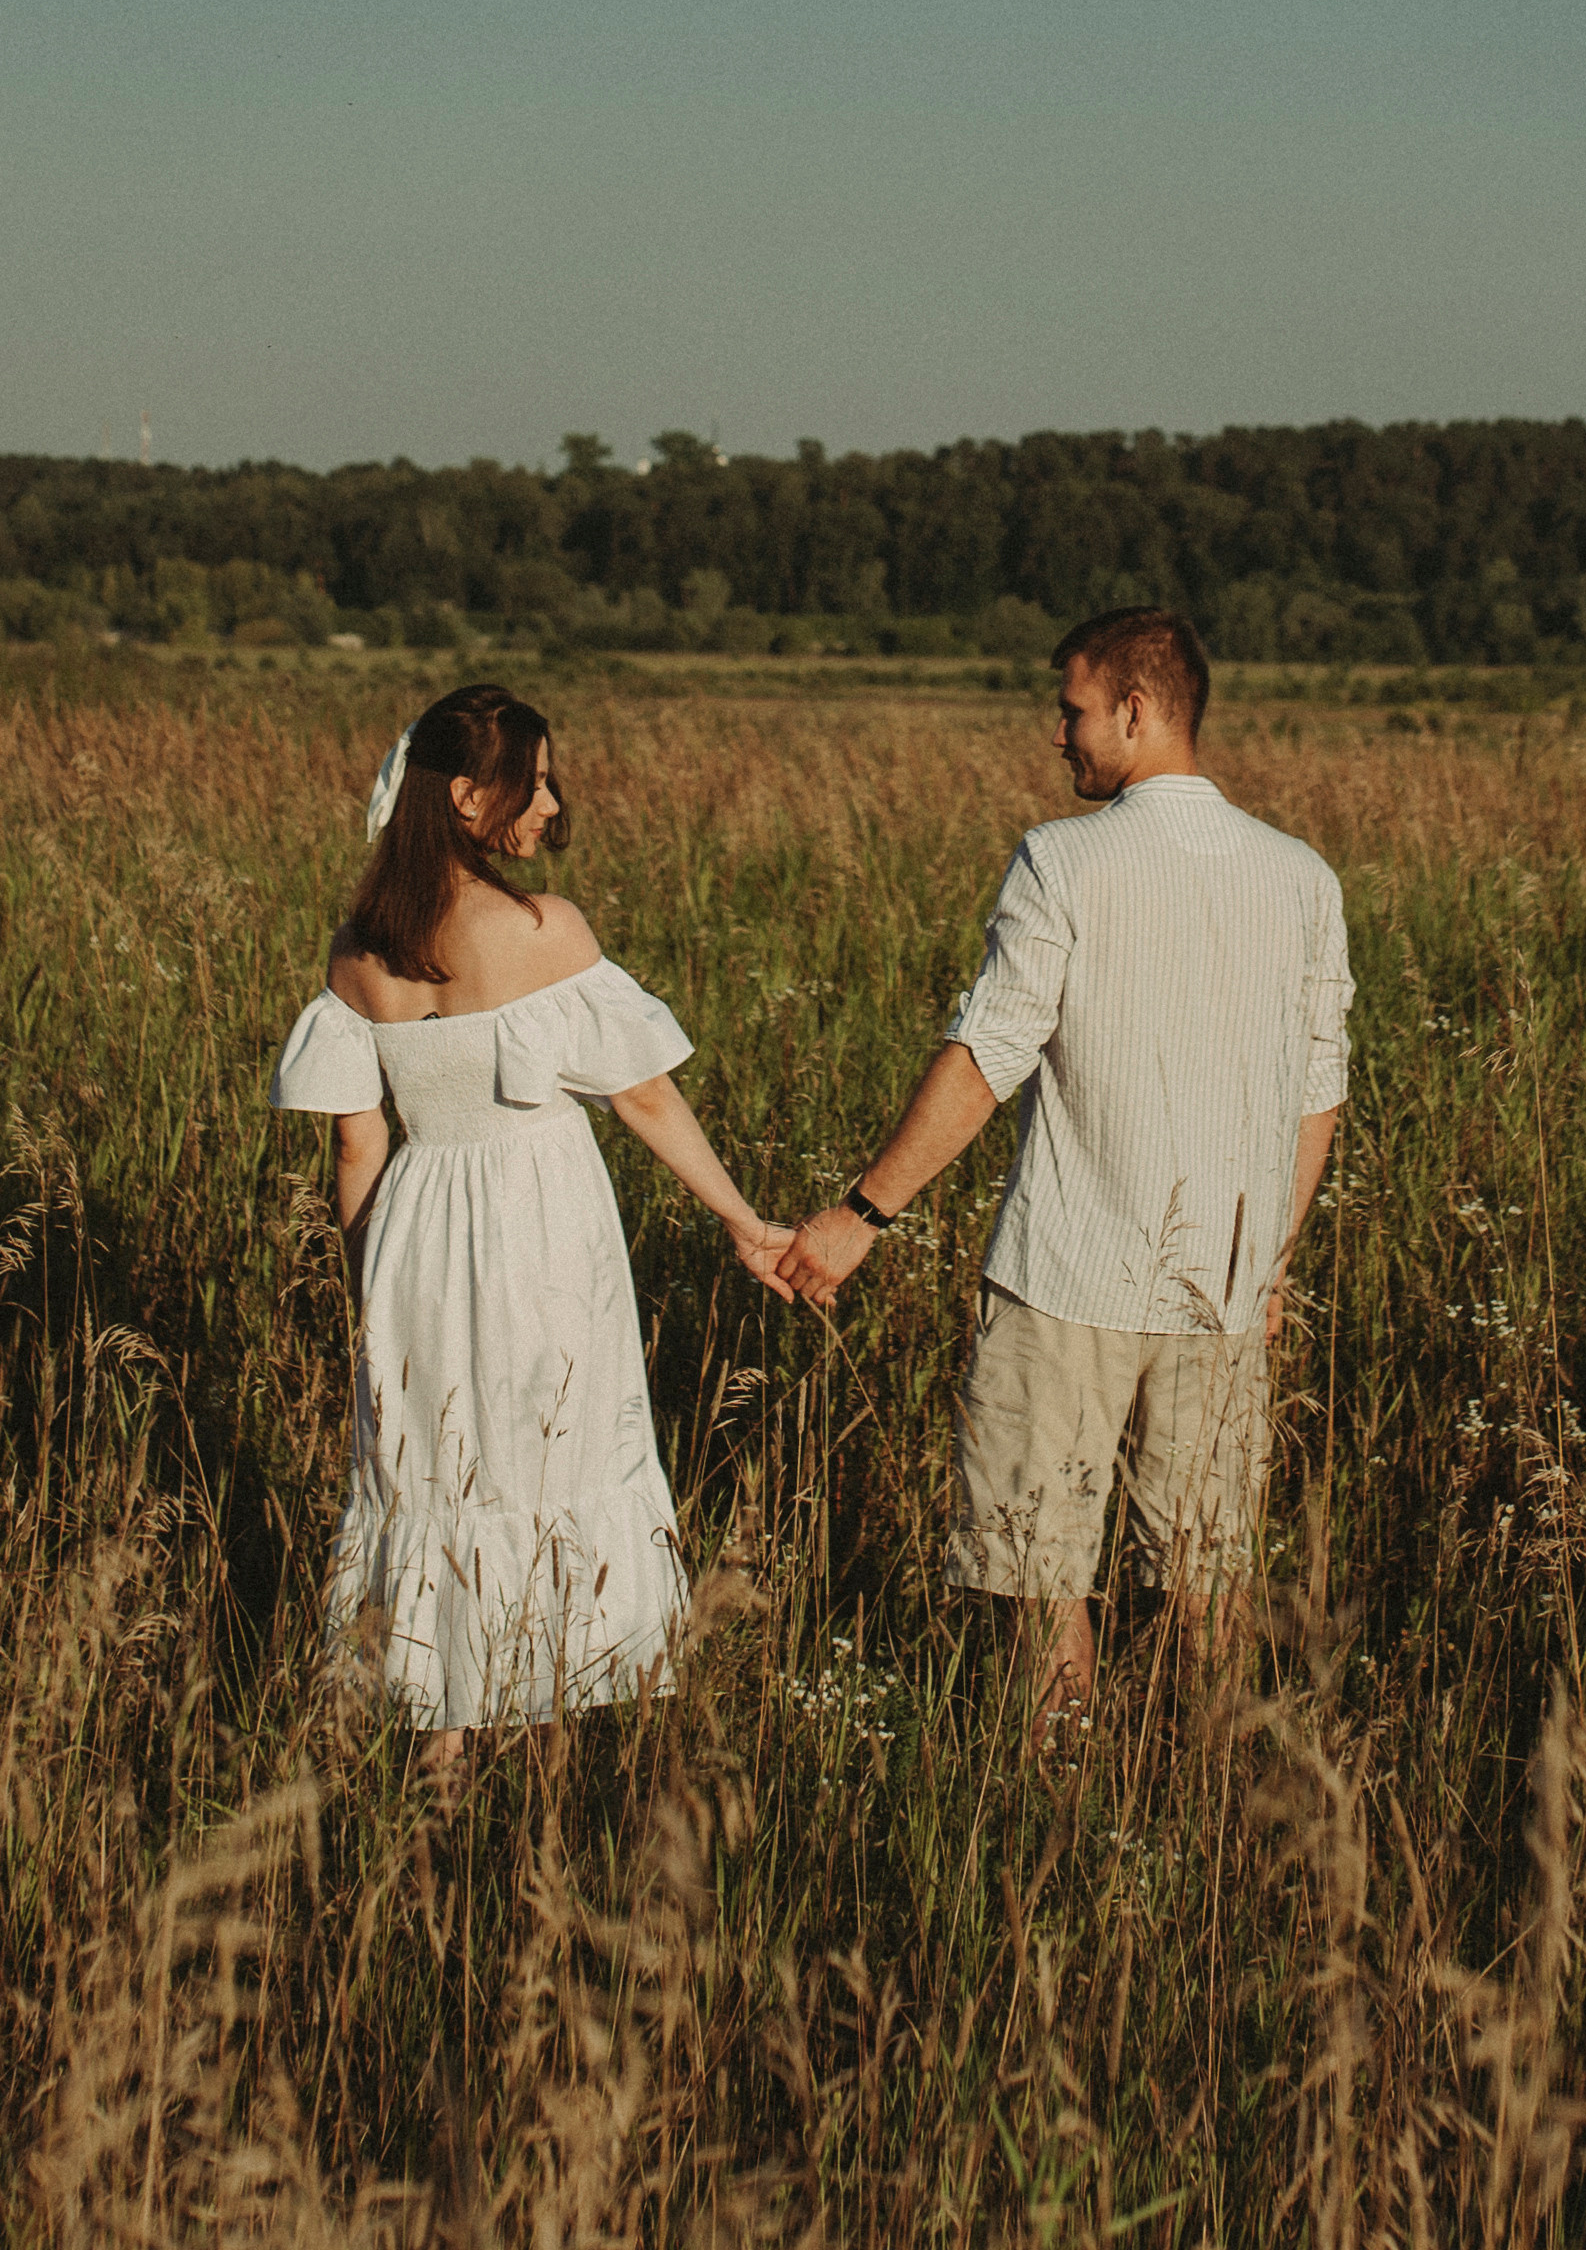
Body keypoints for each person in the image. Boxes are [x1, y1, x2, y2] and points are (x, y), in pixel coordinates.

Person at [776, 606, 1351, 1720]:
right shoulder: (1301, 877)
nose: (1058, 734)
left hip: (1066, 1277)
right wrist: (1268, 1263)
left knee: (1039, 1577)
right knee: (1206, 1579)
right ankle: (1220, 1807)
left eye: (1071, 708)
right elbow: (1315, 1091)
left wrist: (859, 1215)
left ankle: (1059, 1806)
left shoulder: (1062, 858)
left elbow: (989, 1050)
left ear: (1135, 711)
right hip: (1224, 1291)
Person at [272, 683, 790, 1745]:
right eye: (535, 781)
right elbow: (641, 1096)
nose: (551, 804)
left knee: (436, 1469)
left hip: (413, 1232)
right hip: (535, 1222)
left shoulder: (357, 952)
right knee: (547, 1451)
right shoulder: (543, 931)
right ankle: (545, 1726)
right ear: (468, 797)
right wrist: (745, 1221)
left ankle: (441, 1745)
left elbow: (357, 1142)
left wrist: (375, 1289)